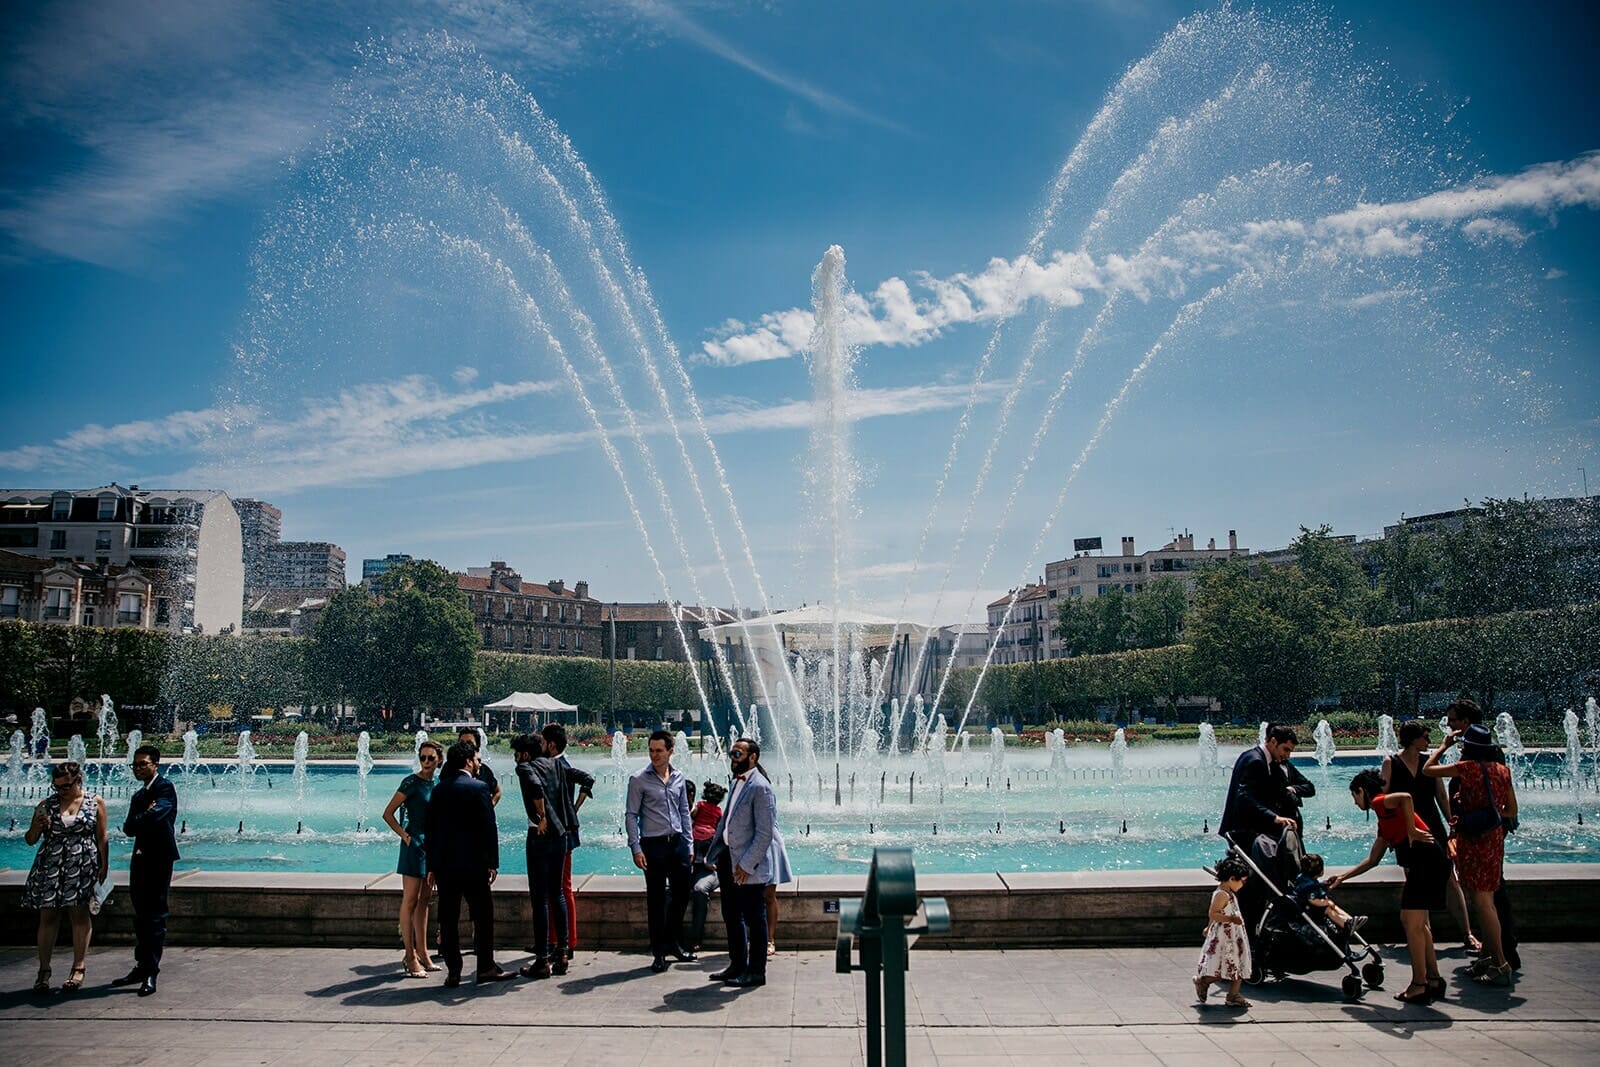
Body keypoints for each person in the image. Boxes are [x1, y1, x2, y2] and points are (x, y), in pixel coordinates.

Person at [1329, 768, 1445, 1004]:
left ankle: (1419, 985)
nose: (1355, 802)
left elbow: (1406, 797)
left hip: (1425, 862)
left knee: (1411, 922)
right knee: (1419, 924)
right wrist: (1342, 877)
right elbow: (1373, 860)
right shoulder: (1384, 819)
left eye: (1354, 796)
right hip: (1429, 862)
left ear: (1362, 791)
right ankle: (1433, 979)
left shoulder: (1380, 802)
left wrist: (1412, 830)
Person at [1424, 721, 1519, 985]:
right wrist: (1489, 814)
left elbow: (1428, 769)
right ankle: (1487, 957)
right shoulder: (1503, 770)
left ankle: (1501, 964)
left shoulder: (1466, 768)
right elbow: (1511, 810)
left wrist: (1444, 745)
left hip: (1473, 839)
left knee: (1482, 902)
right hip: (1493, 839)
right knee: (1486, 899)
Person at [424, 742, 515, 986]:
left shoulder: (439, 789)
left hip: (446, 866)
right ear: (467, 761)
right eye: (476, 759)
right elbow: (488, 827)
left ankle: (453, 970)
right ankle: (485, 966)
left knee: (448, 918)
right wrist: (492, 862)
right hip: (475, 865)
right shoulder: (479, 788)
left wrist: (431, 865)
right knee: (483, 916)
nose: (478, 764)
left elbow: (431, 830)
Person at [22, 760, 108, 994]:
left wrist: (104, 866)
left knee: (79, 913)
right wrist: (38, 826)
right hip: (51, 864)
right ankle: (44, 970)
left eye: (66, 786)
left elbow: (102, 837)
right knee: (48, 915)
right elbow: (30, 839)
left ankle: (78, 967)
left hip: (82, 864)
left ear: (78, 780)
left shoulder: (95, 802)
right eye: (57, 787)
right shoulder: (46, 805)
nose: (61, 791)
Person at [706, 737, 778, 988]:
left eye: (738, 754)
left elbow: (765, 833)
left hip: (748, 865)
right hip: (728, 857)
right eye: (732, 753)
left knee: (755, 919)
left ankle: (756, 971)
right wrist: (717, 853)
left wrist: (746, 865)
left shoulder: (761, 787)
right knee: (731, 914)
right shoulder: (736, 782)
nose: (733, 758)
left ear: (752, 757)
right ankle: (737, 964)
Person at [626, 729, 696, 973]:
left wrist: (689, 843)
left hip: (677, 844)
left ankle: (673, 943)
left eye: (659, 751)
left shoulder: (679, 777)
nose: (654, 755)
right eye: (651, 750)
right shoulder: (638, 779)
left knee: (682, 894)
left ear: (670, 751)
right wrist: (636, 848)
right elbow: (631, 815)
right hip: (653, 845)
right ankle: (658, 952)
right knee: (656, 900)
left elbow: (684, 812)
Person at [113, 744, 179, 997]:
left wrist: (143, 817)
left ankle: (151, 970)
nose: (138, 768)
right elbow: (129, 828)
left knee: (155, 915)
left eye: (143, 764)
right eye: (135, 764)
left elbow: (157, 815)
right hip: (140, 857)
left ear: (155, 764)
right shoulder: (139, 796)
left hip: (160, 857)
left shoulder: (165, 787)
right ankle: (141, 966)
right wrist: (144, 815)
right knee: (141, 914)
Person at [382, 739, 443, 978]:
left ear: (439, 760)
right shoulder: (410, 782)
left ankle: (424, 953)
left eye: (431, 758)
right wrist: (405, 836)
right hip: (414, 845)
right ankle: (409, 956)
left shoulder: (438, 784)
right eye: (423, 757)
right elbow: (388, 814)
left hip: (432, 846)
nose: (426, 762)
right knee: (410, 900)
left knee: (425, 900)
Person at [512, 732, 570, 979]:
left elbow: (535, 787)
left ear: (525, 754)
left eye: (516, 754)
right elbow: (580, 778)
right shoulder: (554, 763)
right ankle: (563, 952)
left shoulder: (525, 767)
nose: (515, 759)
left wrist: (542, 816)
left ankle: (542, 960)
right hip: (560, 835)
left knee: (539, 899)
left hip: (540, 835)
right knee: (557, 893)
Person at [542, 723, 594, 960]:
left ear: (551, 745)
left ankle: (566, 942)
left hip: (561, 835)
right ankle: (555, 940)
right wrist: (574, 809)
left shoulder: (560, 766)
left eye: (543, 742)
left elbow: (588, 780)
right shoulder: (559, 764)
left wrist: (574, 809)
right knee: (557, 888)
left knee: (562, 888)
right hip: (562, 833)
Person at [1217, 724, 1301, 846]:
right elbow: (1244, 797)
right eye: (1285, 749)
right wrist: (1275, 818)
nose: (1287, 756)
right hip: (1243, 831)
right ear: (1273, 741)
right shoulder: (1256, 761)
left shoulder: (1255, 756)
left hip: (1244, 829)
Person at [1194, 854, 1252, 1009]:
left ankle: (1233, 995)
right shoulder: (1221, 894)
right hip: (1225, 937)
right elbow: (1213, 913)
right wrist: (1231, 919)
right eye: (1242, 881)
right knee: (1223, 966)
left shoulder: (1229, 892)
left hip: (1234, 935)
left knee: (1238, 964)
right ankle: (1203, 981)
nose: (1243, 884)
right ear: (1232, 879)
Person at [686, 780, 727, 953]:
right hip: (693, 864)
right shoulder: (716, 811)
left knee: (699, 890)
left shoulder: (701, 808)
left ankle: (696, 937)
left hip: (708, 868)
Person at [1292, 854, 1366, 938]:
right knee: (1328, 910)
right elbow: (1312, 900)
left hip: (1310, 906)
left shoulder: (1306, 879)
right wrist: (1325, 902)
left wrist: (1324, 886)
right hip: (1309, 909)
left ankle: (1349, 920)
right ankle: (1345, 924)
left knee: (1333, 905)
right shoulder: (1309, 886)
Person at [459, 727, 501, 806]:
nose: (465, 746)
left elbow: (497, 792)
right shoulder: (449, 768)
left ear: (477, 746)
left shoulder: (484, 770)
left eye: (469, 743)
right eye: (461, 743)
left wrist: (489, 807)